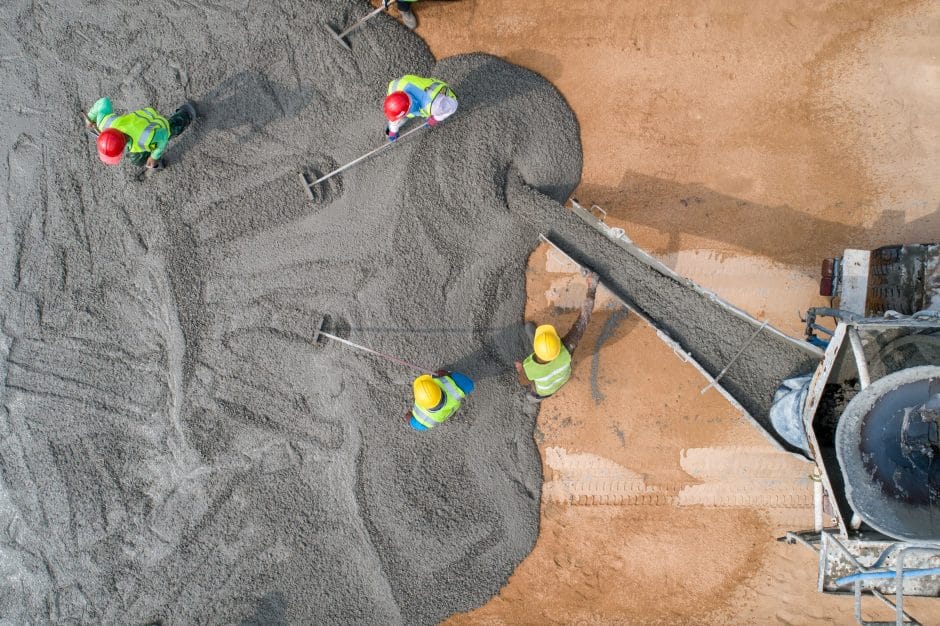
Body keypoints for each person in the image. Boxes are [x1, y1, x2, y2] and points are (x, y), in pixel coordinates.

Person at [515, 271, 600, 400]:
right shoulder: (567, 348)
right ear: (557, 341)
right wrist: (592, 288)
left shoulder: (529, 369)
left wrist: (521, 368)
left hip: (544, 390)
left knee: (530, 396)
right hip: (561, 379)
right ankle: (537, 396)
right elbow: (583, 321)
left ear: (535, 348)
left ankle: (535, 397)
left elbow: (523, 381)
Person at [85, 97, 196, 171]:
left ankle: (186, 113)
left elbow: (163, 136)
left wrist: (154, 156)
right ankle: (151, 161)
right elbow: (104, 102)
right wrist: (90, 117)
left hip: (156, 125)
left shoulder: (145, 138)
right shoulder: (104, 123)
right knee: (137, 159)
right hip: (138, 122)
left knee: (172, 128)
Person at [383, 74, 457, 141]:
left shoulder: (434, 106)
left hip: (440, 93)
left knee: (442, 107)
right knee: (399, 117)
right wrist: (393, 130)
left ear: (409, 108)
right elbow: (396, 108)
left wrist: (436, 118)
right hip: (419, 87)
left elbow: (453, 105)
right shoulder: (393, 87)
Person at [407, 370, 474, 431]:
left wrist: (410, 419)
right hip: (454, 387)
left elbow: (418, 426)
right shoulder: (455, 391)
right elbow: (469, 384)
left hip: (445, 413)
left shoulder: (424, 420)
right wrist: (447, 375)